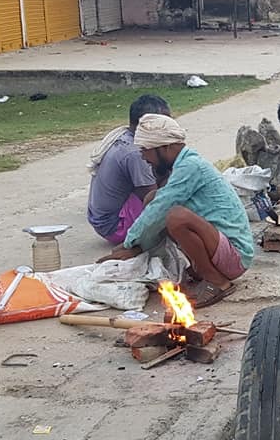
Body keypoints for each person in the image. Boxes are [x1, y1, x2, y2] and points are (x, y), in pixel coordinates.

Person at [98, 114, 254, 308]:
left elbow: (161, 208)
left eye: (146, 150)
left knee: (175, 216)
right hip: (220, 248)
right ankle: (199, 270)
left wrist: (131, 244)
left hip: (236, 256)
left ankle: (217, 282)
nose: (144, 157)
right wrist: (135, 245)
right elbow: (155, 204)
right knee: (152, 198)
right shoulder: (182, 164)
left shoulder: (191, 166)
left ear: (166, 147)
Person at [86, 94, 171, 245]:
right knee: (173, 201)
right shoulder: (136, 153)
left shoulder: (124, 136)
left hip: (101, 220)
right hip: (115, 226)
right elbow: (153, 198)